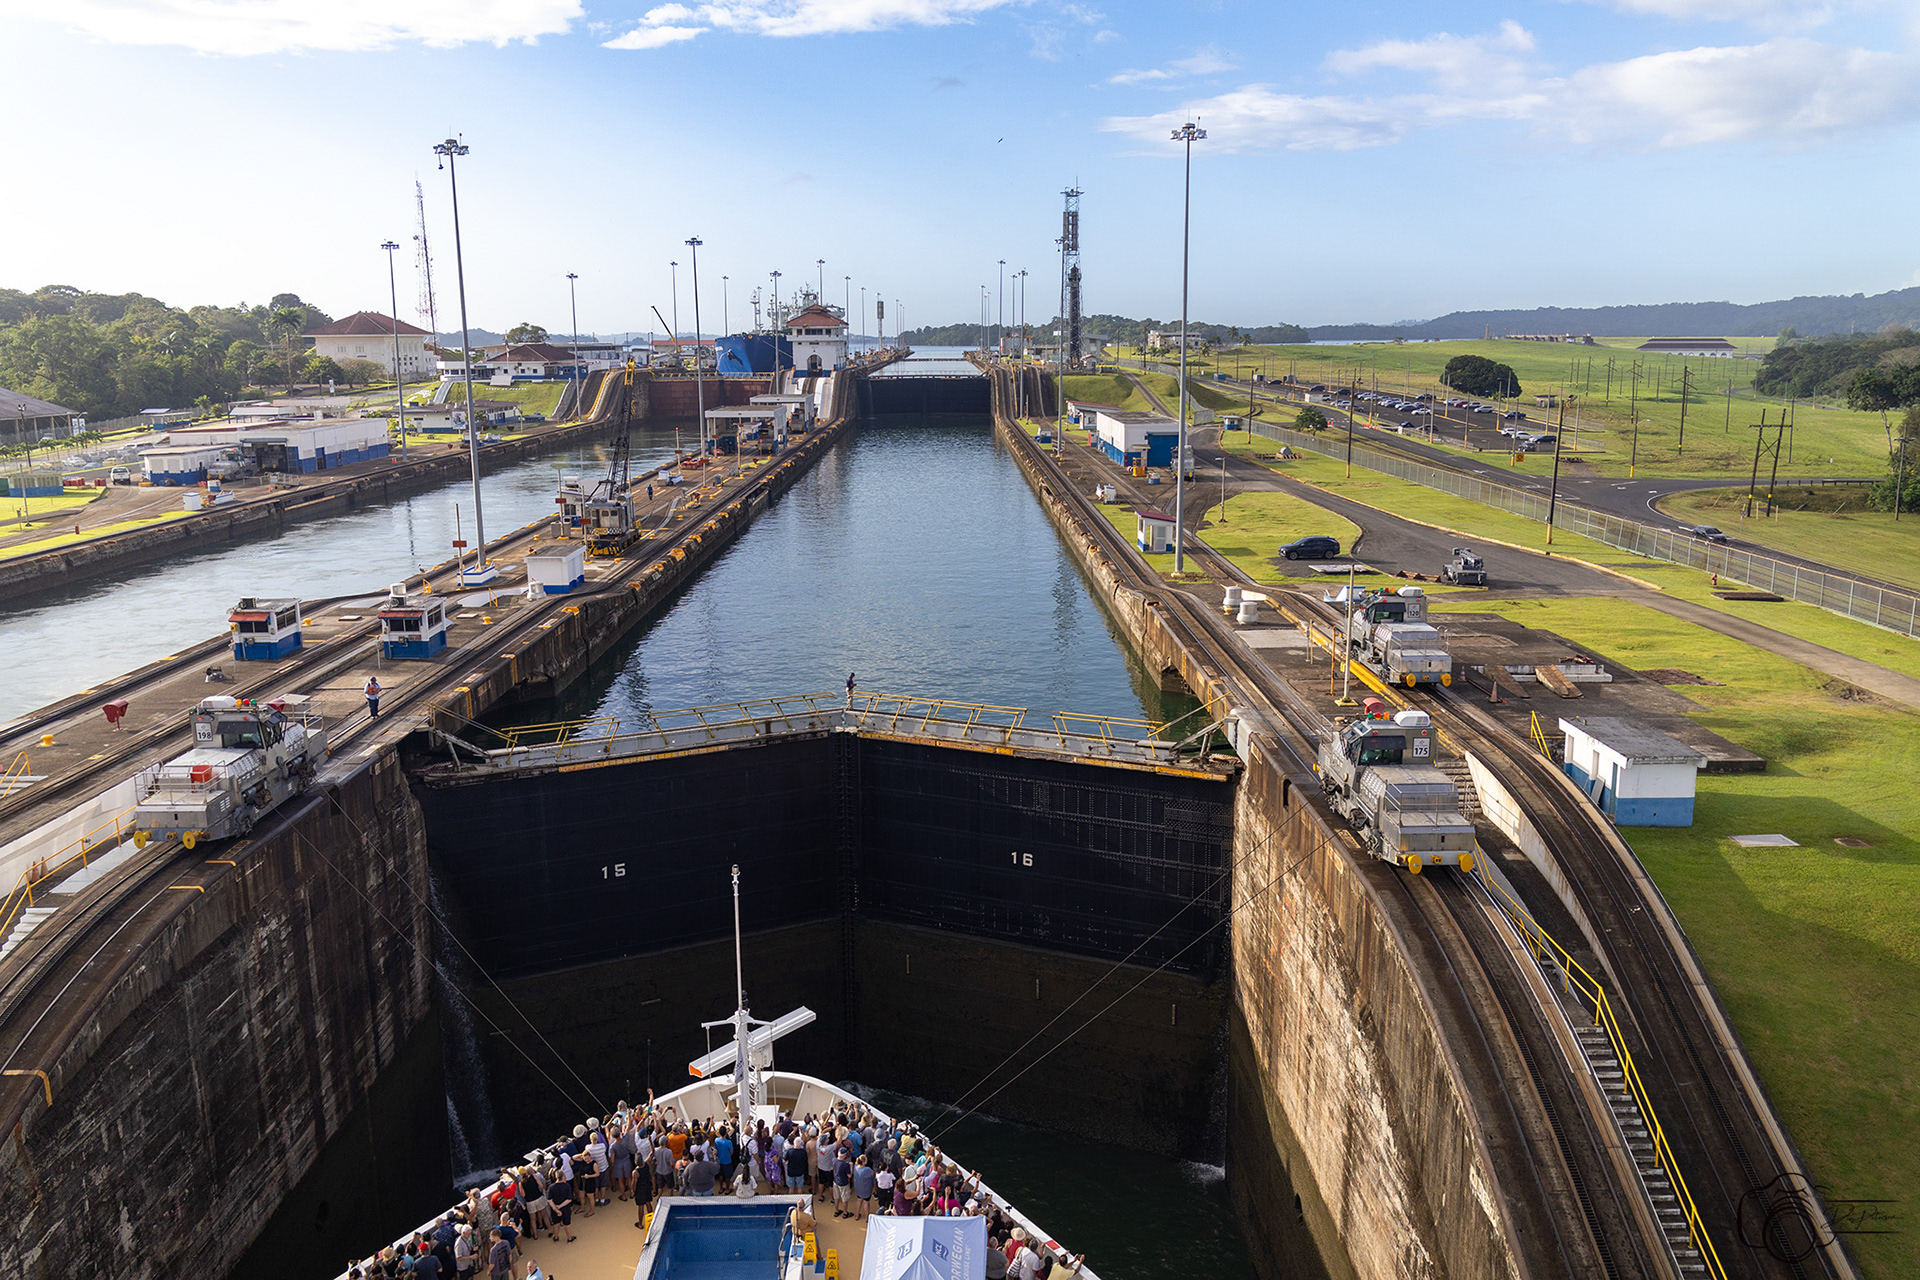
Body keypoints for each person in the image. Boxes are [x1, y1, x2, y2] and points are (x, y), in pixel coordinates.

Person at [851, 1155, 876, 1221]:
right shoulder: (867, 1169)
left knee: (859, 1200)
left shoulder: (855, 1167)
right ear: (863, 1162)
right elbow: (872, 1173)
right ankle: (867, 1218)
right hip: (866, 1189)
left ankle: (857, 1215)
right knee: (866, 1202)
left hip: (858, 1188)